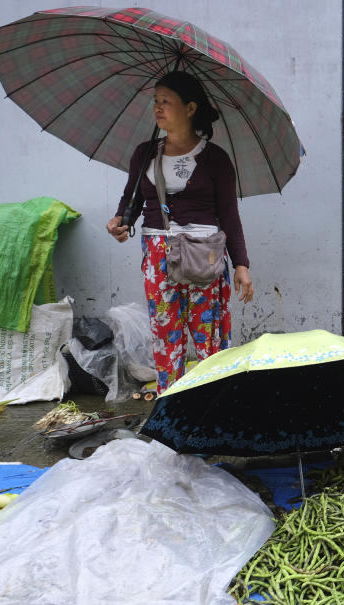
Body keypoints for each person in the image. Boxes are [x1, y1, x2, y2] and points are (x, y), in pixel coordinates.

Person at [106, 71, 254, 393]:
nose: (158, 108)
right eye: (156, 101)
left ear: (189, 108)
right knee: (165, 336)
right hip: (158, 255)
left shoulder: (216, 159)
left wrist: (241, 264)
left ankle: (211, 406)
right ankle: (170, 408)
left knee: (210, 338)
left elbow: (229, 215)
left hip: (205, 255)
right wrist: (120, 223)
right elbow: (129, 199)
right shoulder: (144, 153)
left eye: (166, 102)